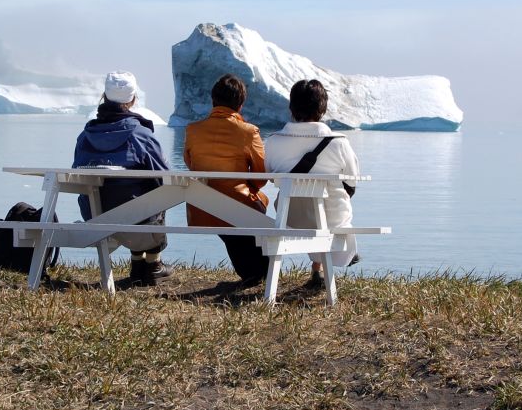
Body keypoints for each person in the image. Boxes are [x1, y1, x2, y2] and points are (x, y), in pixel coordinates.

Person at [73, 71, 173, 286]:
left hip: (94, 215)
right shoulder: (141, 135)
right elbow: (164, 178)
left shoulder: (85, 136)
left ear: (104, 97)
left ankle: (138, 263)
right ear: (133, 99)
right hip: (138, 222)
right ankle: (153, 263)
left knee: (118, 195)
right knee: (159, 193)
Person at [264, 79, 360, 289]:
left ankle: (318, 268)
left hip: (290, 217)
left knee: (307, 209)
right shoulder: (339, 142)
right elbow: (352, 180)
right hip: (332, 216)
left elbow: (271, 177)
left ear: (292, 107)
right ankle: (322, 267)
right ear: (322, 108)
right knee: (331, 208)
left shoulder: (273, 141)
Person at [183, 74, 270, 286]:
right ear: (240, 105)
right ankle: (256, 272)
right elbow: (260, 177)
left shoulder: (192, 130)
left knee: (229, 218)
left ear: (213, 100)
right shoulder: (249, 132)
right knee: (257, 204)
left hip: (202, 207)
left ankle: (253, 273)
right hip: (240, 206)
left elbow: (191, 165)